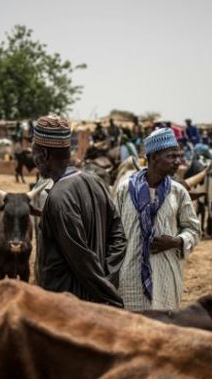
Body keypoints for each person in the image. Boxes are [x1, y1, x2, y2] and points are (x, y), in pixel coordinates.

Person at [34, 115, 126, 307]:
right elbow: (119, 237)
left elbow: (81, 259)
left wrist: (109, 295)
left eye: (34, 152)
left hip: (67, 306)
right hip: (93, 299)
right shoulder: (96, 182)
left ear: (43, 154)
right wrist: (108, 277)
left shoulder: (58, 198)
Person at [115, 128, 200, 311]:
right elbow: (113, 232)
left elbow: (193, 230)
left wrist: (176, 241)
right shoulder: (124, 190)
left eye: (179, 156)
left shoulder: (178, 192)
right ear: (153, 158)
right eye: (171, 156)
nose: (178, 161)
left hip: (166, 278)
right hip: (130, 279)